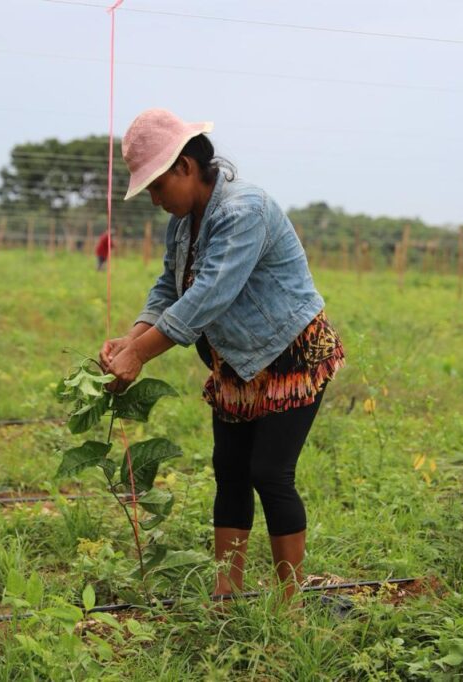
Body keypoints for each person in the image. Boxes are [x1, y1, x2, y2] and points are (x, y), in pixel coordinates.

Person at [99, 108, 345, 604]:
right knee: (229, 470)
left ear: (186, 168)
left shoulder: (242, 211)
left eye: (157, 185)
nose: (154, 198)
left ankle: (289, 604)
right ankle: (225, 593)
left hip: (291, 356)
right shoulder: (184, 222)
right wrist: (131, 339)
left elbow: (210, 294)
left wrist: (141, 356)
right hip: (234, 362)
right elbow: (169, 286)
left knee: (269, 474)